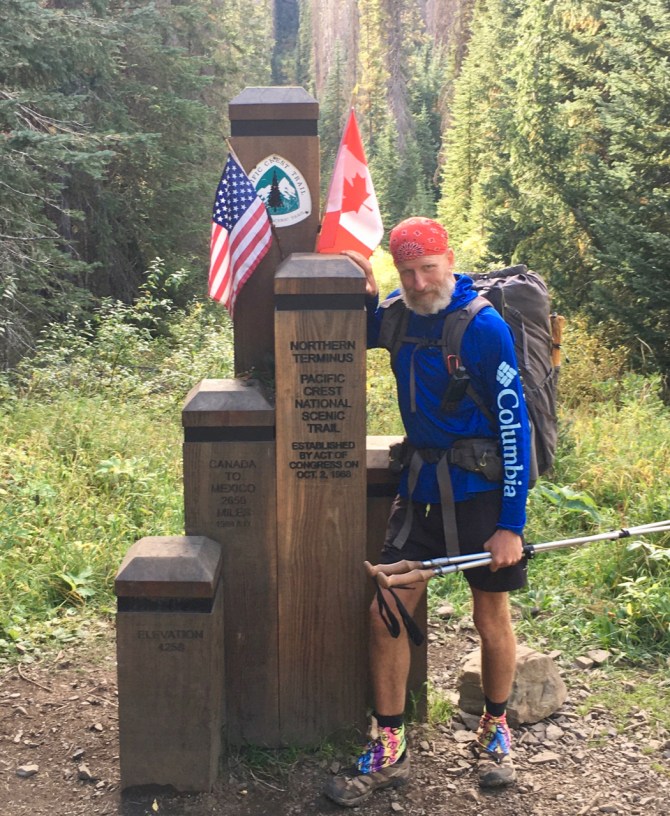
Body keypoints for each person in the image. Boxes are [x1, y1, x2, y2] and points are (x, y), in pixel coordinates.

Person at [324, 217, 532, 807]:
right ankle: (391, 745)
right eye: (407, 271)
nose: (418, 282)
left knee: (490, 615)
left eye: (428, 268)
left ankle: (495, 729)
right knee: (387, 609)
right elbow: (358, 334)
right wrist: (364, 294)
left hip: (480, 494)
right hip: (420, 491)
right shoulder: (398, 314)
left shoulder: (483, 327)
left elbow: (515, 426)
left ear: (450, 261)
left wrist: (511, 525)